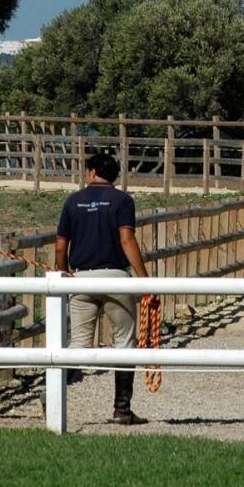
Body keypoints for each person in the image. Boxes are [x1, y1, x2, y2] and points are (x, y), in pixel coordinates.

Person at [55, 151, 149, 425]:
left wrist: (64, 274)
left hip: (82, 279)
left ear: (93, 171)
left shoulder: (74, 201)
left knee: (78, 345)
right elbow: (127, 239)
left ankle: (51, 393)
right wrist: (144, 280)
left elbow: (61, 244)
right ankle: (122, 410)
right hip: (115, 277)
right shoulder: (122, 200)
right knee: (124, 342)